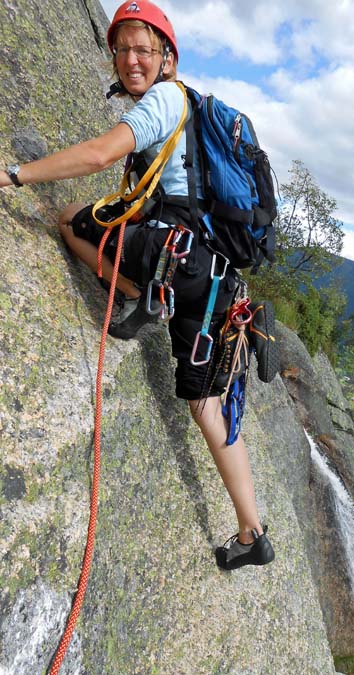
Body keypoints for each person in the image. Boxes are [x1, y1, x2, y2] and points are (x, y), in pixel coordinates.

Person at [0, 0, 275, 571]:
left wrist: (15, 174)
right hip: (218, 283)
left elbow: (102, 153)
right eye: (122, 47)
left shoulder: (164, 101)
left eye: (143, 48)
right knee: (206, 403)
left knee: (72, 218)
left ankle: (137, 294)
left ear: (167, 57)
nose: (131, 59)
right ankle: (252, 533)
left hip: (181, 262)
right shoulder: (192, 107)